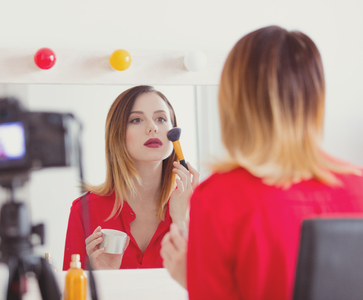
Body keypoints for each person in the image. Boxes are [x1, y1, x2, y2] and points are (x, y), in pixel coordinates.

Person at [160, 25, 363, 299]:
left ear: (233, 101)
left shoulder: (219, 198)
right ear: (315, 98)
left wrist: (192, 278)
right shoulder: (357, 186)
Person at [63, 85, 200, 270]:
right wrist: (103, 278)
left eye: (161, 118)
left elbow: (211, 289)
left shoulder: (197, 207)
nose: (152, 128)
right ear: (118, 134)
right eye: (136, 120)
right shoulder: (85, 211)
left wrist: (182, 222)